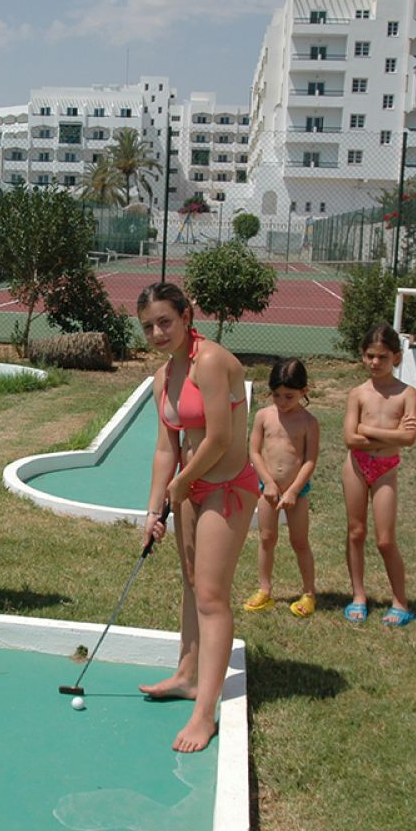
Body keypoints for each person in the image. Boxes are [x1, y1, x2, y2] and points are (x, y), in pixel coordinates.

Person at [137, 282, 256, 754]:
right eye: (148, 327)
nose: (157, 333)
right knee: (191, 583)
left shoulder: (210, 362)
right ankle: (187, 675)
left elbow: (221, 438)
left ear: (187, 316)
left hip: (227, 488)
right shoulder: (163, 378)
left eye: (165, 321)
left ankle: (205, 713)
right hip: (192, 487)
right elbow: (166, 448)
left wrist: (183, 484)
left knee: (211, 596)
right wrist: (154, 509)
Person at [342, 324, 416, 627]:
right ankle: (358, 595)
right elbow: (350, 439)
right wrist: (392, 435)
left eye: (383, 357)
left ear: (396, 357)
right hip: (356, 466)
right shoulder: (358, 394)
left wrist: (367, 429)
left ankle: (400, 601)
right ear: (363, 356)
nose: (375, 362)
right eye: (370, 356)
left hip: (386, 469)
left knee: (385, 540)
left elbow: (410, 438)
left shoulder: (406, 394)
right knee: (356, 532)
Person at [243, 357, 320, 617]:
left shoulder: (309, 422)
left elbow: (310, 460)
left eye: (289, 396)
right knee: (267, 538)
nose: (282, 402)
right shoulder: (263, 416)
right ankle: (264, 589)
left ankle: (308, 593)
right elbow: (254, 451)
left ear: (304, 391)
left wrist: (294, 490)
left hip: (297, 491)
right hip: (268, 491)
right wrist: (268, 482)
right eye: (276, 395)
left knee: (299, 541)